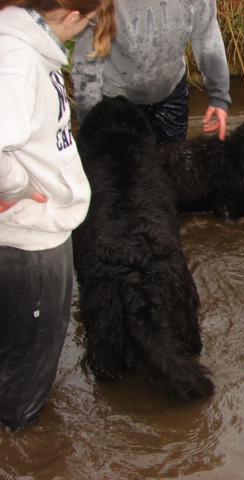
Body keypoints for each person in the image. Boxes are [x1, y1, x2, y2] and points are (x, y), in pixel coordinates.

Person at [0, 0, 115, 432]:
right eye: (86, 22)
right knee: (27, 373)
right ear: (69, 14)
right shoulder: (16, 57)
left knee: (12, 352)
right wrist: (14, 186)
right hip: (29, 239)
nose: (84, 30)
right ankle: (23, 449)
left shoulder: (19, 46)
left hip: (26, 233)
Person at [72, 0, 232, 144]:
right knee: (125, 169)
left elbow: (207, 36)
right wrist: (90, 126)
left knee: (172, 166)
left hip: (171, 91)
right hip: (117, 99)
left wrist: (219, 96)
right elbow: (87, 68)